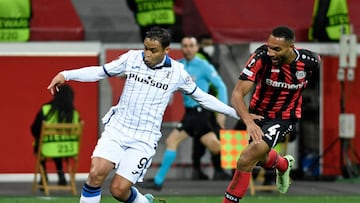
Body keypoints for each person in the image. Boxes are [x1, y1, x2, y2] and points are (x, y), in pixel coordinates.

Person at [47, 27, 242, 203]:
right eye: (146, 48)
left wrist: (238, 112)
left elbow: (203, 98)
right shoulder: (132, 58)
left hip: (144, 138)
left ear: (166, 50)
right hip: (118, 129)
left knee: (118, 190)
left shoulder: (177, 74)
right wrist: (66, 74)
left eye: (153, 50)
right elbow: (100, 72)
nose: (147, 54)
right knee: (95, 173)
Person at [222, 26, 321, 203]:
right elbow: (237, 94)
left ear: (291, 47)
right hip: (257, 115)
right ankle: (283, 164)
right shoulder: (261, 57)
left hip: (284, 116)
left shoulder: (311, 61)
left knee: (246, 159)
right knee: (259, 158)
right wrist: (249, 122)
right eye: (269, 47)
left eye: (277, 49)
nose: (271, 53)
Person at [138, 36, 240, 192]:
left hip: (200, 113)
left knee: (172, 141)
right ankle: (253, 158)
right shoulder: (178, 65)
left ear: (197, 47)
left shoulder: (204, 66)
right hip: (190, 113)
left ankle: (158, 181)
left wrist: (222, 112)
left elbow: (221, 86)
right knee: (216, 148)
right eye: (185, 45)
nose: (188, 49)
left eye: (191, 45)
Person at [31, 84, 80, 186]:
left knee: (39, 145)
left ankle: (44, 176)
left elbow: (34, 128)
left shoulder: (46, 110)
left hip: (48, 148)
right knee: (58, 146)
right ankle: (60, 173)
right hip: (69, 149)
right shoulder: (74, 114)